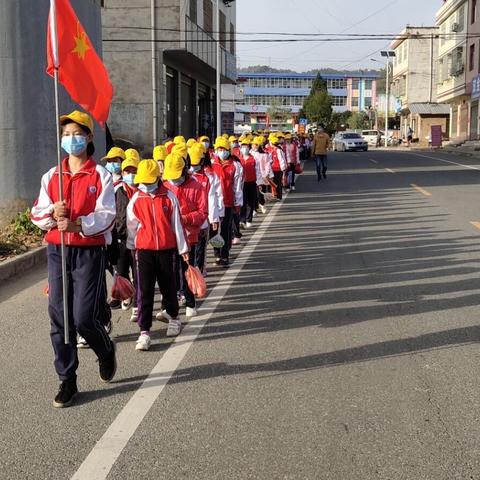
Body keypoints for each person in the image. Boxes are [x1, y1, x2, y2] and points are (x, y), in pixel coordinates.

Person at [31, 110, 117, 408]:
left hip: (89, 251)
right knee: (59, 317)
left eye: (76, 134)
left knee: (83, 317)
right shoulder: (51, 176)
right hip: (58, 251)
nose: (71, 139)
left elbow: (107, 216)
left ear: (89, 138)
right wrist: (53, 214)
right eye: (66, 135)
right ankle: (67, 379)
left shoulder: (101, 176)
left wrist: (78, 224)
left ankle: (105, 351)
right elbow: (37, 214)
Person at [127, 159, 189, 349]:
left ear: (157, 178)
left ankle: (174, 317)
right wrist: (131, 247)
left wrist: (183, 249)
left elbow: (176, 225)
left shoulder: (169, 197)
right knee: (144, 291)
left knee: (168, 287)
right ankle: (144, 331)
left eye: (148, 180)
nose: (145, 184)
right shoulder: (136, 199)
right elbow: (132, 226)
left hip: (166, 250)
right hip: (144, 251)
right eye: (142, 181)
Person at [163, 153, 208, 318]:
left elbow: (203, 212)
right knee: (168, 271)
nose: (173, 180)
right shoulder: (165, 186)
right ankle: (169, 303)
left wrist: (186, 218)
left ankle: (190, 302)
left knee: (186, 270)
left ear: (183, 170)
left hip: (189, 236)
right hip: (168, 237)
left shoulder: (196, 187)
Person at [188, 142, 222, 274]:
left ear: (202, 161)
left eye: (196, 163)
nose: (194, 167)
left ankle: (200, 270)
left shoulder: (210, 177)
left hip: (203, 217)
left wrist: (214, 218)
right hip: (188, 217)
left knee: (201, 245)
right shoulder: (185, 176)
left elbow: (213, 197)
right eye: (192, 163)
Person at [114, 155, 139, 322]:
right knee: (122, 272)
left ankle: (138, 305)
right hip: (121, 239)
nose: (130, 174)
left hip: (139, 240)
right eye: (127, 171)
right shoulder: (117, 190)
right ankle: (126, 295)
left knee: (138, 274)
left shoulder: (143, 190)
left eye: (133, 171)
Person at [211, 136, 243, 267]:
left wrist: (237, 203)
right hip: (213, 203)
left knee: (225, 229)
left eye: (224, 149)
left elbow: (238, 186)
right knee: (213, 231)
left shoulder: (235, 165)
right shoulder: (211, 164)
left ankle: (224, 255)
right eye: (219, 149)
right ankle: (217, 252)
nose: (221, 151)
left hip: (228, 203)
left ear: (229, 150)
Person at [239, 138, 257, 228]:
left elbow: (258, 171)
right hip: (242, 183)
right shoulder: (239, 159)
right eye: (243, 146)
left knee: (250, 201)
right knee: (243, 202)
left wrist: (259, 182)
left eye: (246, 146)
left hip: (252, 182)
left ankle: (249, 219)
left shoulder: (253, 158)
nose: (244, 148)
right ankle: (242, 220)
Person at [264, 133, 287, 200]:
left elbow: (282, 160)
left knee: (278, 183)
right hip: (270, 170)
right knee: (270, 183)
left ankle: (279, 196)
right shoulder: (267, 148)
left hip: (277, 169)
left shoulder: (278, 150)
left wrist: (283, 169)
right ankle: (271, 196)